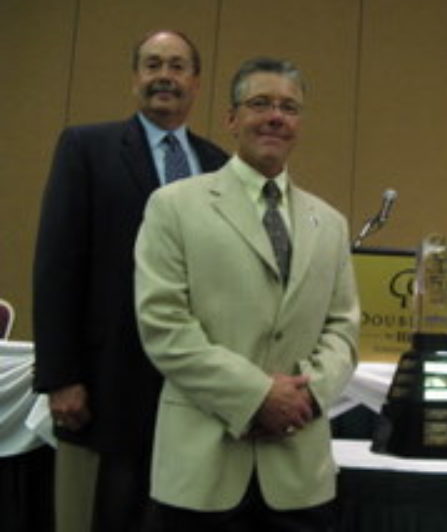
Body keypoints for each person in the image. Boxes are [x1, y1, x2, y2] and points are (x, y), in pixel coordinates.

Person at [134, 56, 359, 531]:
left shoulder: (331, 224)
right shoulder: (174, 207)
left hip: (298, 473)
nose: (276, 116)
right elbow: (164, 325)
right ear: (231, 119)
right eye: (260, 103)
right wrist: (256, 395)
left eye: (289, 107)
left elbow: (343, 329)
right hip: (201, 470)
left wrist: (307, 396)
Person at [32, 30, 228, 532]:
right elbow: (57, 264)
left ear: (196, 82)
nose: (165, 76)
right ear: (134, 79)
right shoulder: (87, 147)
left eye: (178, 66)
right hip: (104, 381)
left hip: (190, 387)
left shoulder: (220, 167)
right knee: (101, 514)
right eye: (153, 64)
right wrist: (61, 376)